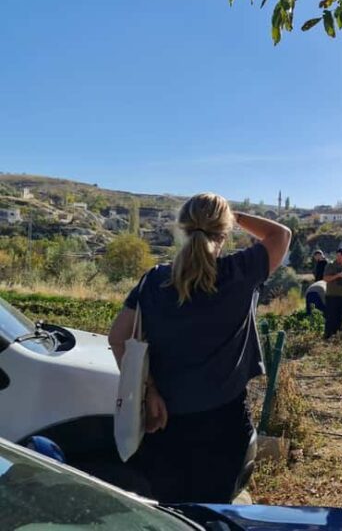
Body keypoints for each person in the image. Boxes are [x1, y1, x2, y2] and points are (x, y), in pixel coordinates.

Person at [107, 193, 291, 503]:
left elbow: (117, 337)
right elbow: (280, 235)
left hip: (166, 425)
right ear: (225, 230)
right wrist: (234, 214)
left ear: (182, 229)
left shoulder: (154, 281)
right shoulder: (239, 272)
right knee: (214, 514)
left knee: (173, 514)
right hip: (225, 425)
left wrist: (150, 391)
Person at [323, 247, 342, 339]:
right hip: (332, 295)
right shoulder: (330, 265)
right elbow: (326, 278)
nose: (341, 257)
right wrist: (337, 275)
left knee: (341, 318)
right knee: (331, 317)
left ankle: (338, 336)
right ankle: (328, 336)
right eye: (339, 255)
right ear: (337, 255)